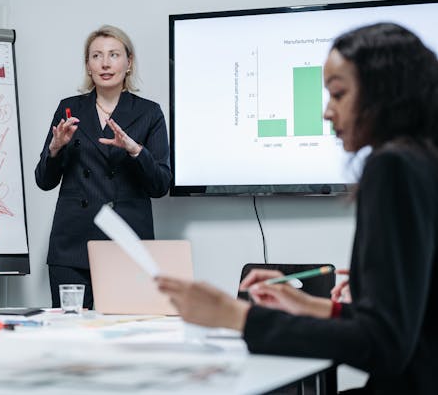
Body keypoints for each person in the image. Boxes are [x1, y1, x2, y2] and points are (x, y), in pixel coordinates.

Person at [157, 22, 438, 394]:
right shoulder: (424, 161)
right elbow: (402, 323)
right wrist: (312, 307)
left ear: (383, 95)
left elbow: (384, 344)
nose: (326, 112)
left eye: (338, 94)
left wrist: (236, 315)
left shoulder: (392, 167)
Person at [36, 25, 171, 309]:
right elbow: (44, 181)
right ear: (88, 65)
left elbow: (160, 185)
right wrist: (55, 147)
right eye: (97, 56)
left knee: (126, 334)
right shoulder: (69, 109)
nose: (105, 63)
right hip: (72, 245)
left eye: (114, 54)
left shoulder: (149, 113)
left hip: (127, 242)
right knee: (70, 335)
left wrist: (135, 150)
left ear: (129, 62)